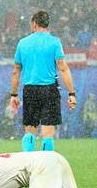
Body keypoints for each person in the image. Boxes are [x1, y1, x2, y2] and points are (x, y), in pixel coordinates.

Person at [9, 10, 76, 152]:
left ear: (34, 23)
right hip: (49, 90)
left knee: (30, 131)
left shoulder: (23, 43)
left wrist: (14, 95)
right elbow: (63, 69)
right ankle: (46, 170)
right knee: (48, 134)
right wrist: (71, 94)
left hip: (30, 89)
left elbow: (16, 71)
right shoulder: (54, 42)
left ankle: (28, 166)